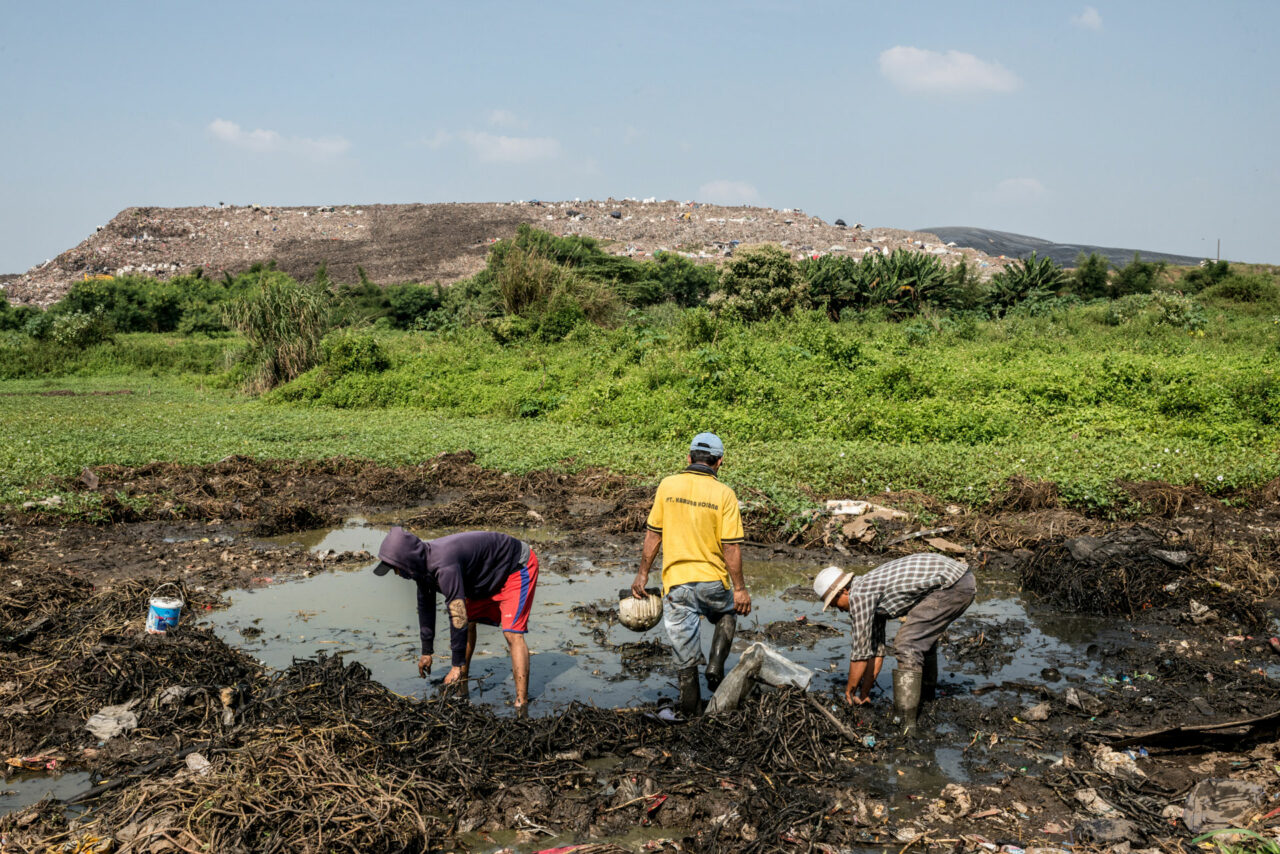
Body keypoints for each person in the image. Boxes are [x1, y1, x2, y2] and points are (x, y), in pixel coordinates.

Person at [631, 432, 751, 717]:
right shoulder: (724, 494)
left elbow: (653, 534)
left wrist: (642, 575)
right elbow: (730, 546)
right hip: (713, 583)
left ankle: (691, 712)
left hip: (676, 585)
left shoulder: (668, 485)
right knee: (727, 613)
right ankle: (715, 664)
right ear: (719, 462)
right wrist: (740, 589)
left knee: (684, 658)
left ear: (689, 458)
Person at [374, 527, 538, 716]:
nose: (396, 573)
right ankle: (462, 686)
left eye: (395, 568)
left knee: (512, 632)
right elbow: (426, 605)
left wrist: (455, 664)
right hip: (483, 575)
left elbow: (457, 614)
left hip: (515, 566)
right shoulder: (422, 567)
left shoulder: (444, 565)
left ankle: (521, 705)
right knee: (468, 625)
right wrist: (426, 652)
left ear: (406, 560)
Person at [813, 553, 975, 736]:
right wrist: (864, 693)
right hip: (958, 581)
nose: (840, 610)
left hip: (954, 585)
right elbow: (875, 652)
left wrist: (849, 692)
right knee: (920, 639)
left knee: (908, 644)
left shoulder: (859, 595)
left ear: (844, 591)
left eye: (835, 604)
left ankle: (906, 723)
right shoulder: (868, 593)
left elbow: (859, 655)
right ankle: (926, 697)